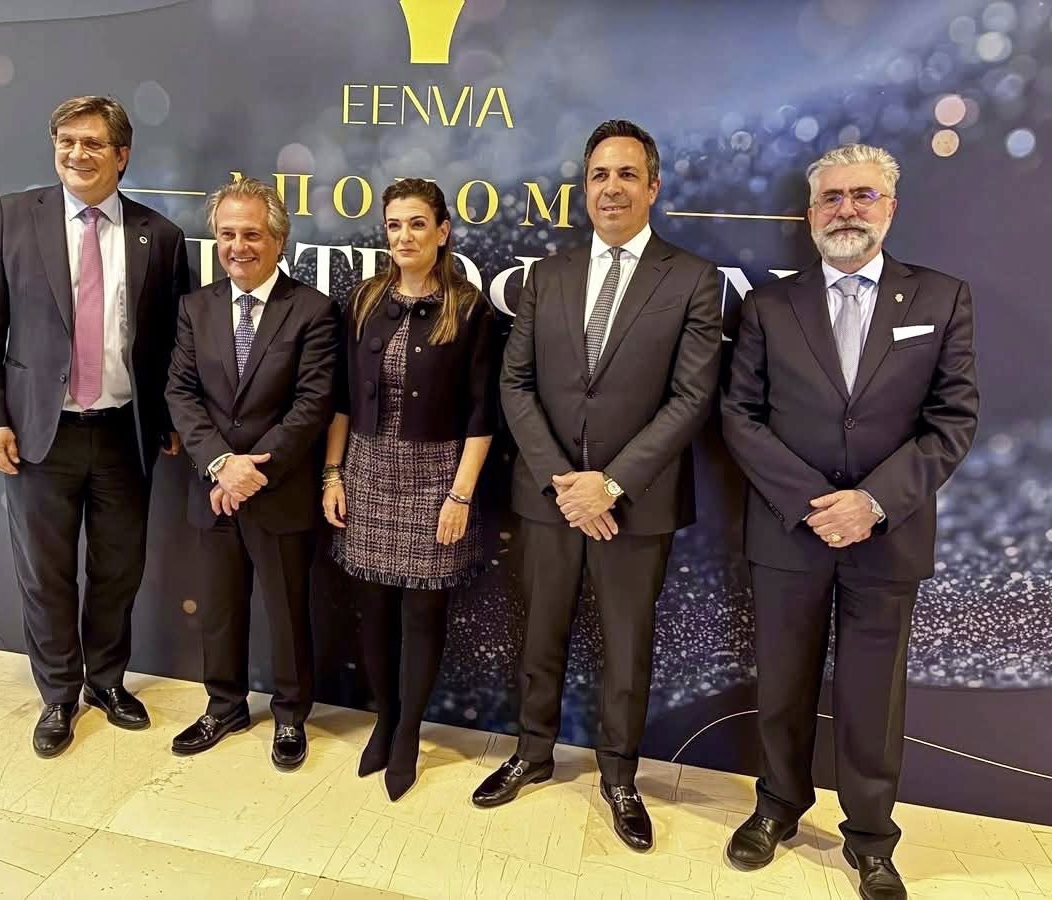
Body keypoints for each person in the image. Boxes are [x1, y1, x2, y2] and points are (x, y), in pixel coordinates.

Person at [721, 144, 978, 899]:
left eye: (863, 196)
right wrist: (815, 504)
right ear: (810, 214)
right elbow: (740, 416)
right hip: (789, 533)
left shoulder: (942, 298)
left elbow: (953, 420)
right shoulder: (769, 305)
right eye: (832, 198)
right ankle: (777, 808)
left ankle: (870, 837)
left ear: (890, 207)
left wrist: (871, 503)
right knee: (783, 684)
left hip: (887, 535)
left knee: (873, 697)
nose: (847, 211)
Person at [472, 120, 722, 852]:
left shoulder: (692, 279)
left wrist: (609, 485)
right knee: (540, 632)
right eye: (599, 176)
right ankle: (532, 752)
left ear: (653, 186)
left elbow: (691, 398)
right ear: (584, 189)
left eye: (626, 174)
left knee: (626, 646)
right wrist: (564, 483)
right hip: (548, 496)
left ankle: (619, 776)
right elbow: (515, 383)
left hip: (635, 504)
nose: (612, 188)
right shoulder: (547, 276)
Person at [0, 95, 191, 758]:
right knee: (46, 574)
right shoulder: (13, 216)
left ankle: (107, 682)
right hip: (40, 433)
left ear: (122, 155)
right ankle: (60, 694)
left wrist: (170, 419)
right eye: (66, 141)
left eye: (93, 143)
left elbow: (170, 342)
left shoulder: (160, 235)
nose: (76, 154)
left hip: (124, 433)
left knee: (118, 570)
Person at [321, 178, 496, 801]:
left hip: (437, 479)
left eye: (417, 223)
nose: (404, 236)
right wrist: (333, 474)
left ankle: (408, 735)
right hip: (368, 471)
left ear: (443, 231)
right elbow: (342, 399)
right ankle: (384, 719)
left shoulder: (468, 308)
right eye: (394, 225)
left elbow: (482, 415)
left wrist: (460, 495)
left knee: (422, 616)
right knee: (373, 613)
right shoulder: (364, 299)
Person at [164, 178, 337, 769]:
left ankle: (290, 716)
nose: (238, 247)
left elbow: (312, 404)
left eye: (252, 235)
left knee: (287, 613)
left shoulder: (312, 310)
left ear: (279, 241)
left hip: (277, 490)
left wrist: (251, 471)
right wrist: (221, 464)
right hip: (214, 489)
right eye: (227, 235)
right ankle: (224, 706)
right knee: (219, 608)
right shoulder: (195, 308)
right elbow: (181, 393)